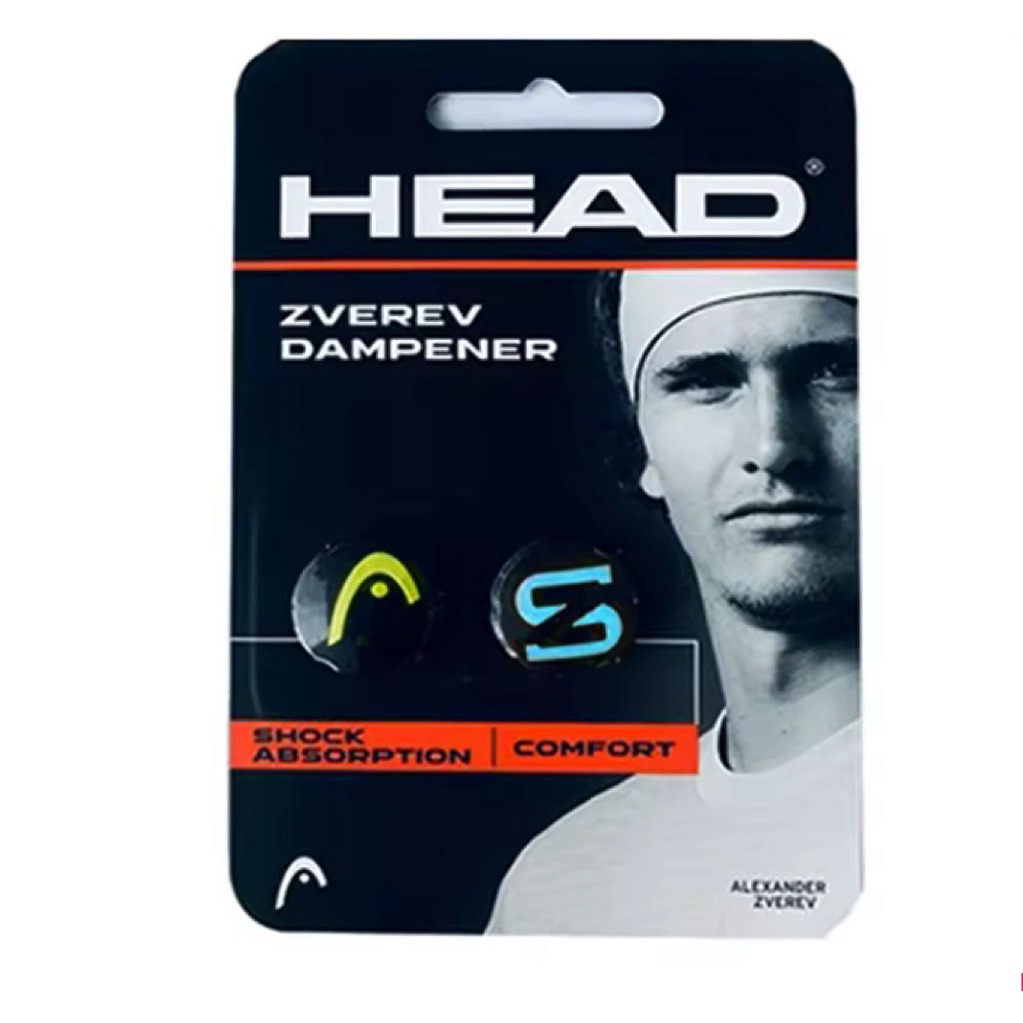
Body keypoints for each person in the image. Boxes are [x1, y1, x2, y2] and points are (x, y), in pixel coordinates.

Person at [486, 268, 861, 936]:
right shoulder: (558, 881)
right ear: (645, 450)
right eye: (705, 380)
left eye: (835, 371)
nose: (774, 446)